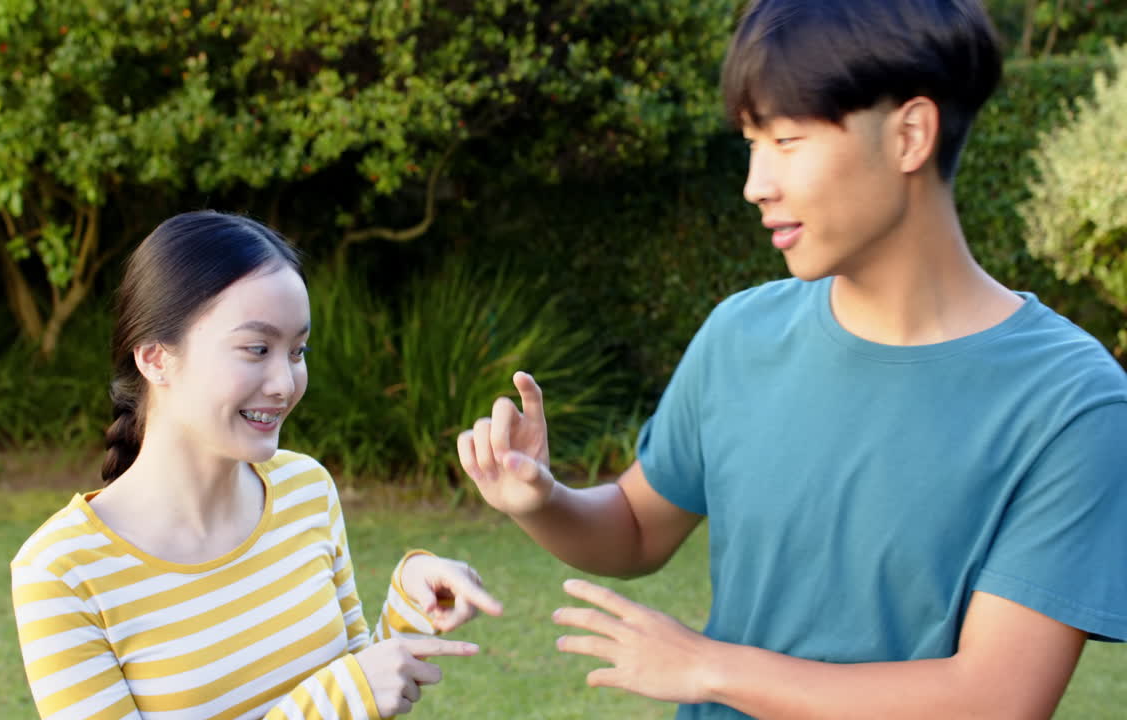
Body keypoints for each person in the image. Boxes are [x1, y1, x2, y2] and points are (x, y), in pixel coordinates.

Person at [456, 1, 1127, 718]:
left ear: (909, 135)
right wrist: (545, 501)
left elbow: (994, 701)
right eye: (752, 142)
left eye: (786, 140)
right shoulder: (741, 335)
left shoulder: (1072, 404)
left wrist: (711, 668)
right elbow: (638, 526)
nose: (755, 184)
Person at [11, 210, 502, 720]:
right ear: (155, 357)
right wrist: (338, 699)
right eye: (257, 349)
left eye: (297, 350)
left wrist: (410, 603)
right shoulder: (62, 572)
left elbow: (357, 691)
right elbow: (340, 699)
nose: (285, 384)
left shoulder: (306, 489)